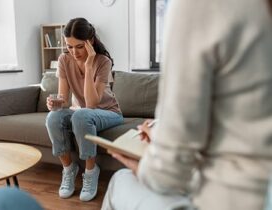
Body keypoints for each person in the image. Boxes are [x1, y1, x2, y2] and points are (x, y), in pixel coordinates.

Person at [101, 0, 272, 210]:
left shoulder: (199, 5)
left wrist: (145, 166)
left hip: (230, 200)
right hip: (259, 188)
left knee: (121, 181)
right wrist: (164, 138)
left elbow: (169, 175)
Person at [45, 17, 123, 202]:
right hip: (81, 111)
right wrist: (55, 104)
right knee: (53, 117)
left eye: (79, 47)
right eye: (69, 46)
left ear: (90, 42)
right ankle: (69, 169)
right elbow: (63, 99)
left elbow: (91, 104)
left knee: (81, 114)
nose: (73, 52)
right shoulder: (64, 59)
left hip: (109, 112)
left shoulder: (103, 62)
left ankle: (90, 171)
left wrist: (88, 66)